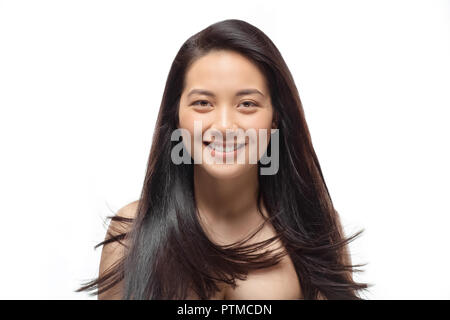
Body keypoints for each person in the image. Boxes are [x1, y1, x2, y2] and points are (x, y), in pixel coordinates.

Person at [76, 18, 368, 300]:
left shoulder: (317, 230)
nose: (225, 125)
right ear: (175, 116)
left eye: (247, 104)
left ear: (276, 119)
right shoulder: (129, 234)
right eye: (203, 103)